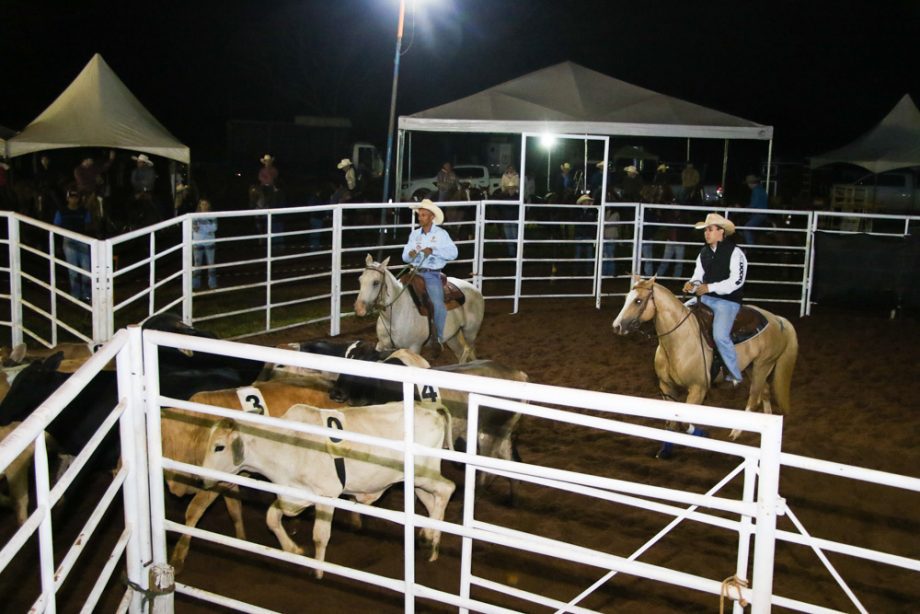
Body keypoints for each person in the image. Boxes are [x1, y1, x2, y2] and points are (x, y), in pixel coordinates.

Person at [682, 212, 748, 386]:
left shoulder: (736, 253)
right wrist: (692, 284)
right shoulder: (704, 253)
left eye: (710, 229)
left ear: (721, 232)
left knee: (720, 336)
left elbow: (737, 281)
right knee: (681, 314)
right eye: (706, 230)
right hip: (706, 298)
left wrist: (709, 287)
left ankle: (735, 375)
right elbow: (698, 276)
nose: (707, 233)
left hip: (728, 301)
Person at [402, 199, 458, 348]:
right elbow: (404, 256)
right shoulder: (414, 234)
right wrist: (410, 255)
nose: (420, 218)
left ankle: (438, 338)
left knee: (438, 305)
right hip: (414, 272)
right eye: (419, 215)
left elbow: (453, 253)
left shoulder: (441, 234)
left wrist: (434, 251)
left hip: (431, 274)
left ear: (432, 217)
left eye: (424, 215)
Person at [53, 187, 93, 301]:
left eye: (76, 197)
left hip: (83, 240)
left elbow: (88, 226)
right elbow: (56, 228)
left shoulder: (84, 211)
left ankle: (87, 294)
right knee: (73, 269)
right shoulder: (61, 212)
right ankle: (75, 295)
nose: (73, 200)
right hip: (68, 240)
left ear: (78, 199)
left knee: (86, 268)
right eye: (71, 197)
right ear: (68, 198)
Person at [192, 199, 218, 290]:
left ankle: (212, 284)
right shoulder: (195, 215)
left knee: (211, 264)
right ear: (199, 205)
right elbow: (195, 228)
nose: (204, 206)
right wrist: (207, 228)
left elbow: (214, 228)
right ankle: (195, 285)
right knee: (197, 264)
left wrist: (201, 227)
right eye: (202, 204)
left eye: (206, 204)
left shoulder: (212, 216)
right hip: (197, 242)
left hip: (209, 242)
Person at [742, 174, 768, 245]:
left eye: (748, 184)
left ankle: (750, 245)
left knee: (746, 228)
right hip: (761, 213)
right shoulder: (761, 189)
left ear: (751, 183)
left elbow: (754, 204)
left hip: (759, 214)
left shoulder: (756, 191)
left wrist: (744, 208)